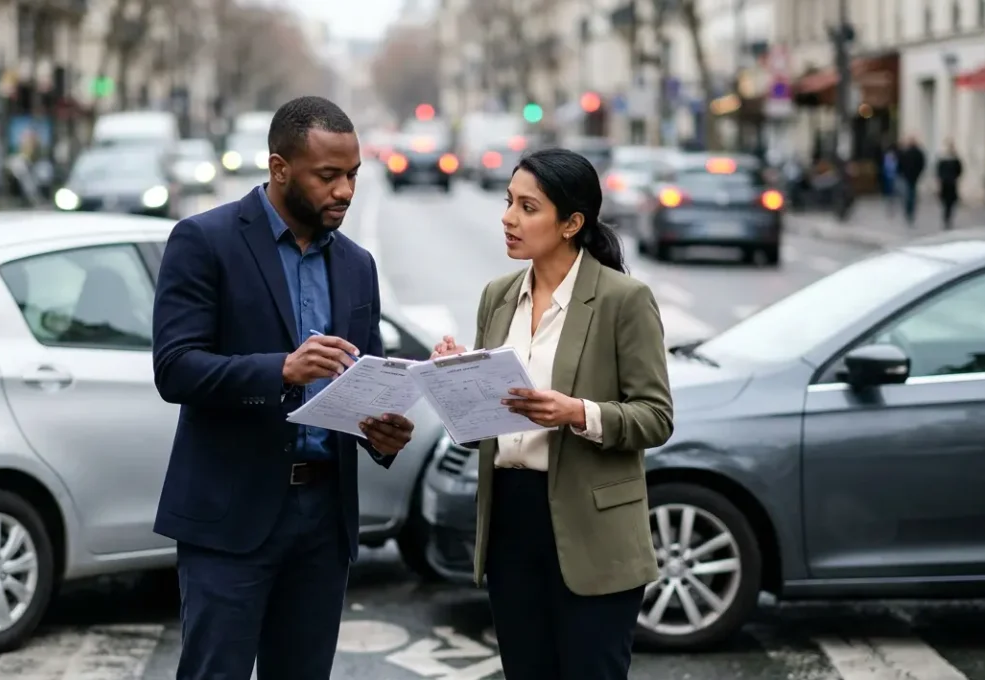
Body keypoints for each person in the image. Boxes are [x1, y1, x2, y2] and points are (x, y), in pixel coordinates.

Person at [151, 95, 416, 680]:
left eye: (352, 176)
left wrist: (382, 433)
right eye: (328, 176)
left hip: (324, 520)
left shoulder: (356, 264)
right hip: (229, 515)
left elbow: (362, 379)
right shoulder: (204, 240)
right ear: (278, 169)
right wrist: (280, 370)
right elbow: (174, 368)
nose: (345, 191)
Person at [430, 148, 673, 679]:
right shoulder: (498, 297)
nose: (508, 218)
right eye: (508, 202)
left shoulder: (622, 300)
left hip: (592, 528)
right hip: (511, 522)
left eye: (527, 206)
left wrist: (575, 412)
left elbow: (655, 417)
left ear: (572, 223)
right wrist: (455, 380)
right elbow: (480, 430)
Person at [897, 135, 926, 225]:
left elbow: (921, 164)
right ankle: (909, 210)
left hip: (912, 176)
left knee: (910, 194)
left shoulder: (916, 152)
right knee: (909, 194)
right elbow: (901, 163)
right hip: (908, 176)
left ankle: (910, 210)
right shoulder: (907, 152)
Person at [936, 140, 963, 230]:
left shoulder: (955, 160)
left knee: (951, 203)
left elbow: (959, 170)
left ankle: (948, 217)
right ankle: (946, 217)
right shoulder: (943, 160)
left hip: (951, 184)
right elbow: (938, 171)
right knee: (946, 203)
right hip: (946, 184)